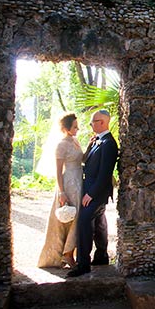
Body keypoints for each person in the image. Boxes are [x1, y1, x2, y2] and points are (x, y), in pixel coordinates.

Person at [67, 109, 119, 277]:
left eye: (93, 122)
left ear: (102, 122)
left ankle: (83, 264)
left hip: (96, 192)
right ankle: (102, 256)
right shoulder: (98, 141)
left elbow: (105, 173)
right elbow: (88, 163)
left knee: (84, 221)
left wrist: (91, 194)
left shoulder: (109, 143)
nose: (90, 125)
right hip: (91, 189)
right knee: (99, 222)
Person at [37, 112, 83, 269]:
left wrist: (90, 146)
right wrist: (62, 192)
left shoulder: (75, 141)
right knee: (68, 218)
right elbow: (58, 171)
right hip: (68, 183)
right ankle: (66, 254)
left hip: (79, 180)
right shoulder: (61, 145)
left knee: (77, 218)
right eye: (75, 126)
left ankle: (70, 252)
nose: (78, 129)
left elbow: (81, 159)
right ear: (66, 128)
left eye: (77, 126)